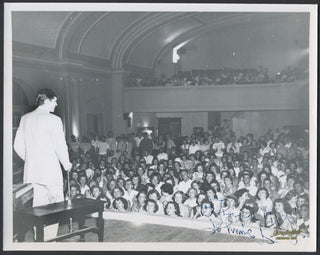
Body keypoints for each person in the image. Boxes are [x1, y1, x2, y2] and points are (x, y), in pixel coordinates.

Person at [14, 88, 72, 241]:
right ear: (47, 101)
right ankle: (49, 241)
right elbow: (60, 146)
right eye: (55, 100)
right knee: (55, 207)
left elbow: (17, 146)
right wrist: (67, 164)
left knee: (38, 208)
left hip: (33, 172)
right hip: (51, 171)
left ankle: (39, 239)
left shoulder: (25, 118)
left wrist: (31, 161)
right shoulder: (54, 119)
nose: (57, 103)